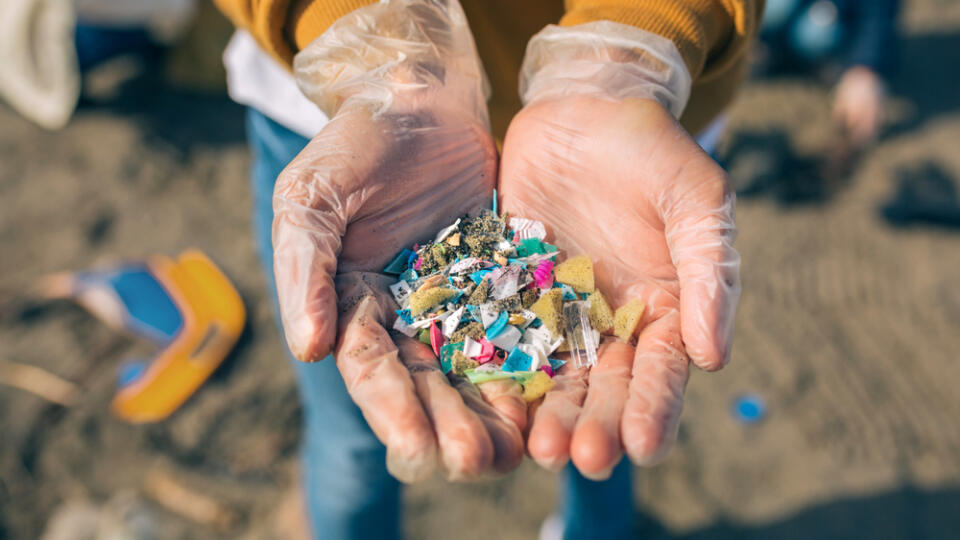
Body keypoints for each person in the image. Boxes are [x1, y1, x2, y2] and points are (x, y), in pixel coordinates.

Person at [214, 0, 756, 538]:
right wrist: (374, 52)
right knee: (352, 434)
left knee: (601, 423)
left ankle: (596, 527)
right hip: (352, 119)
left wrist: (628, 54)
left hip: (634, 137)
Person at [759, 0, 900, 147]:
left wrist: (866, 67)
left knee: (815, 33)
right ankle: (766, 45)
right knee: (775, 9)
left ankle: (817, 60)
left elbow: (879, 9)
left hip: (829, 18)